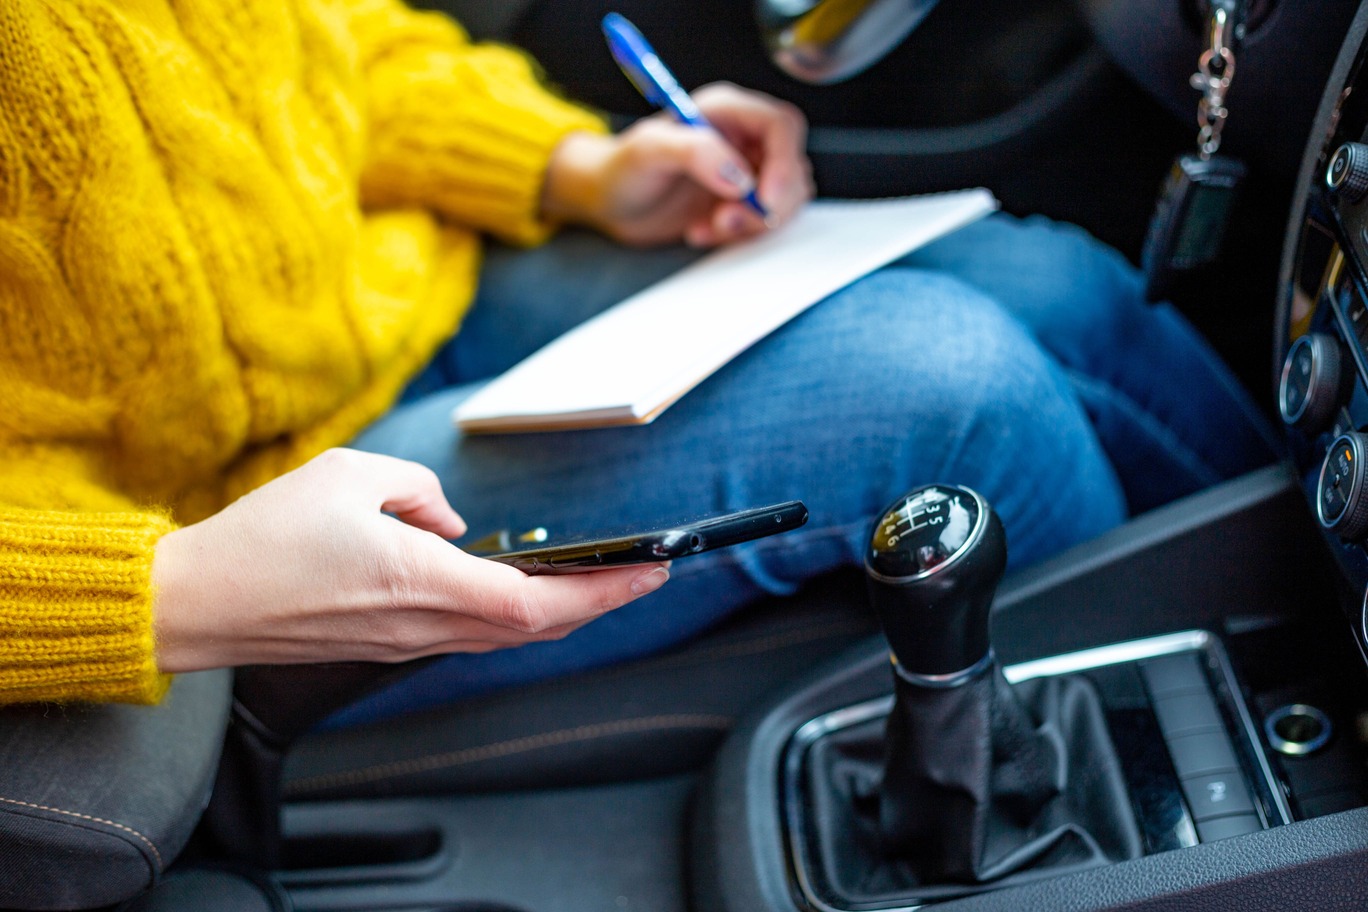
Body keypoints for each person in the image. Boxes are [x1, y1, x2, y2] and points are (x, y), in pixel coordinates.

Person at [0, 0, 1276, 715]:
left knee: (1045, 273)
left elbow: (342, 54)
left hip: (413, 287)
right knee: (947, 386)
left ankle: (1299, 611)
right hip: (199, 526)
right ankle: (1189, 774)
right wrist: (165, 592)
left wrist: (580, 169)